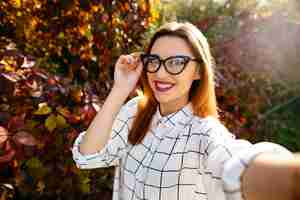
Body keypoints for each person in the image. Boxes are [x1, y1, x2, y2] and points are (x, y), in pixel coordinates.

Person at [72, 22, 300, 200]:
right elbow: (87, 157)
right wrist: (121, 88)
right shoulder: (135, 111)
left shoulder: (205, 133)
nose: (160, 74)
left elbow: (234, 163)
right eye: (155, 61)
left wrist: (290, 178)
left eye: (176, 62)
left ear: (198, 71)